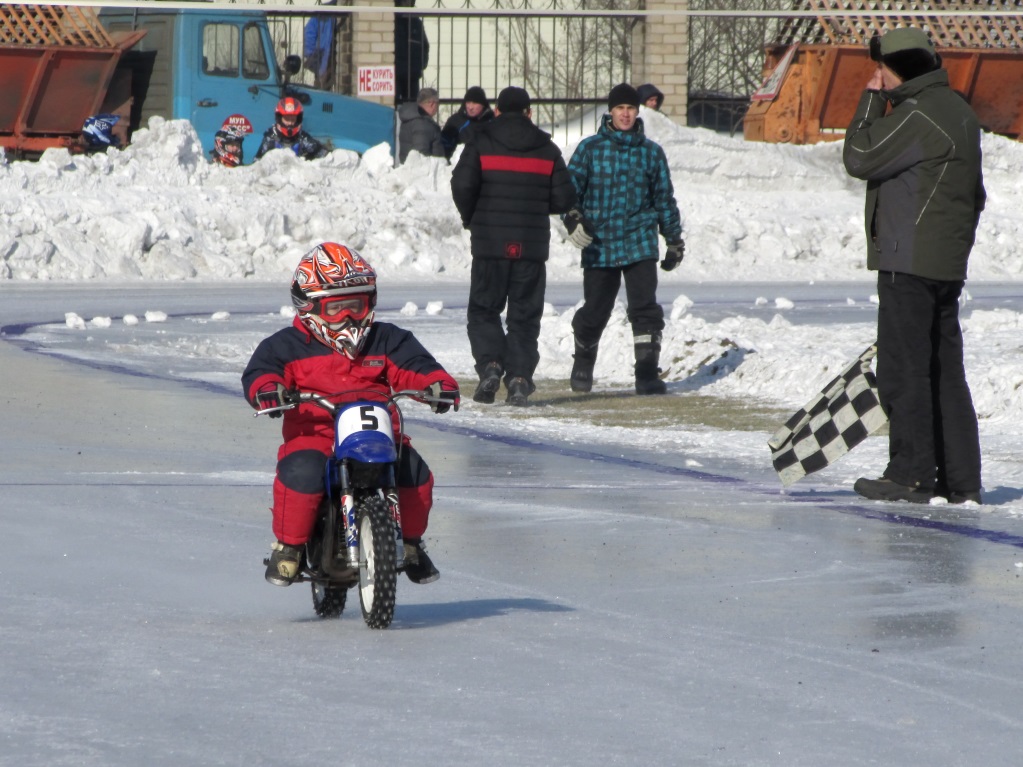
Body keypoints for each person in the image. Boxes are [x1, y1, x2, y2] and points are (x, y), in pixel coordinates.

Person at [242, 243, 460, 587]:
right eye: (336, 309)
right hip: (317, 436)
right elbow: (262, 372)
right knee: (301, 473)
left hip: (379, 438)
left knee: (414, 472)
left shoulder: (386, 339)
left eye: (356, 306)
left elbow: (418, 366)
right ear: (310, 307)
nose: (348, 318)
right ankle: (290, 548)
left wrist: (436, 385)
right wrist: (269, 390)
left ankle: (411, 543)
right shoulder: (285, 345)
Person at [843, 27, 985, 505]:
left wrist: (868, 101)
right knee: (944, 369)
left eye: (880, 69)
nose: (877, 77)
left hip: (910, 261)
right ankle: (960, 479)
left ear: (898, 68)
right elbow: (976, 195)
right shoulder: (960, 113)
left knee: (905, 370)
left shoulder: (919, 114)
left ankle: (909, 474)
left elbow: (860, 156)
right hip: (945, 261)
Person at [451, 86, 577, 407]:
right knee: (524, 317)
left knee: (484, 310)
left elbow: (462, 184)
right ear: (529, 113)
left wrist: (472, 218)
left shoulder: (480, 141)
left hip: (490, 243)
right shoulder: (547, 149)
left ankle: (491, 365)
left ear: (496, 110)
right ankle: (519, 379)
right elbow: (564, 197)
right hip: (531, 246)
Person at [564, 83, 685, 396]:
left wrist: (673, 239)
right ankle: (583, 360)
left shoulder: (651, 153)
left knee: (644, 308)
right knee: (595, 310)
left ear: (638, 111)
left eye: (631, 108)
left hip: (639, 239)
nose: (626, 114)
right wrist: (573, 219)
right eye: (620, 108)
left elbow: (664, 198)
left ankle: (646, 374)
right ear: (611, 111)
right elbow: (566, 192)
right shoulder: (589, 149)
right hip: (599, 241)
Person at [254, 97, 328, 161]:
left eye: (293, 119)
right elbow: (257, 164)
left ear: (298, 119)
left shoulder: (303, 138)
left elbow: (327, 158)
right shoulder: (270, 138)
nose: (290, 123)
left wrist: (310, 158)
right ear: (280, 119)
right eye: (286, 119)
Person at [441, 85, 494, 159]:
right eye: (468, 102)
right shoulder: (456, 121)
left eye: (475, 103)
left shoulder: (492, 121)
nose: (470, 107)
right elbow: (444, 147)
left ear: (483, 105)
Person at [397, 87, 445, 163]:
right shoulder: (422, 123)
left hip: (409, 169)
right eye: (437, 103)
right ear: (432, 104)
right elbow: (420, 156)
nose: (438, 107)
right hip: (425, 172)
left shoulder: (411, 118)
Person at [394, 0, 429, 103]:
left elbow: (425, 46)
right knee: (395, 105)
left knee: (412, 106)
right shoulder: (392, 22)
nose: (406, 4)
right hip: (396, 75)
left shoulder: (416, 23)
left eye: (409, 1)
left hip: (413, 75)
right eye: (404, 1)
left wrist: (421, 65)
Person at [303, 3, 336, 90]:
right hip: (323, 56)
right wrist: (311, 55)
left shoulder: (338, 8)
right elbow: (309, 33)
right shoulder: (322, 12)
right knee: (322, 85)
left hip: (333, 55)